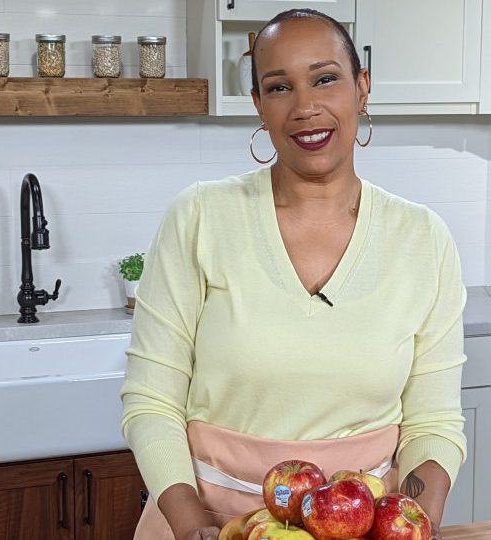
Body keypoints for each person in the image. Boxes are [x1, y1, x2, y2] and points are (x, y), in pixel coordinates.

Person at [121, 8, 467, 540]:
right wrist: (194, 528)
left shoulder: (423, 239)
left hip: (363, 527)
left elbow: (434, 422)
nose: (306, 107)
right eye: (280, 87)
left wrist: (415, 523)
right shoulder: (200, 218)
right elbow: (152, 400)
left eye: (325, 79)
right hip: (207, 524)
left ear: (362, 88)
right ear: (259, 105)